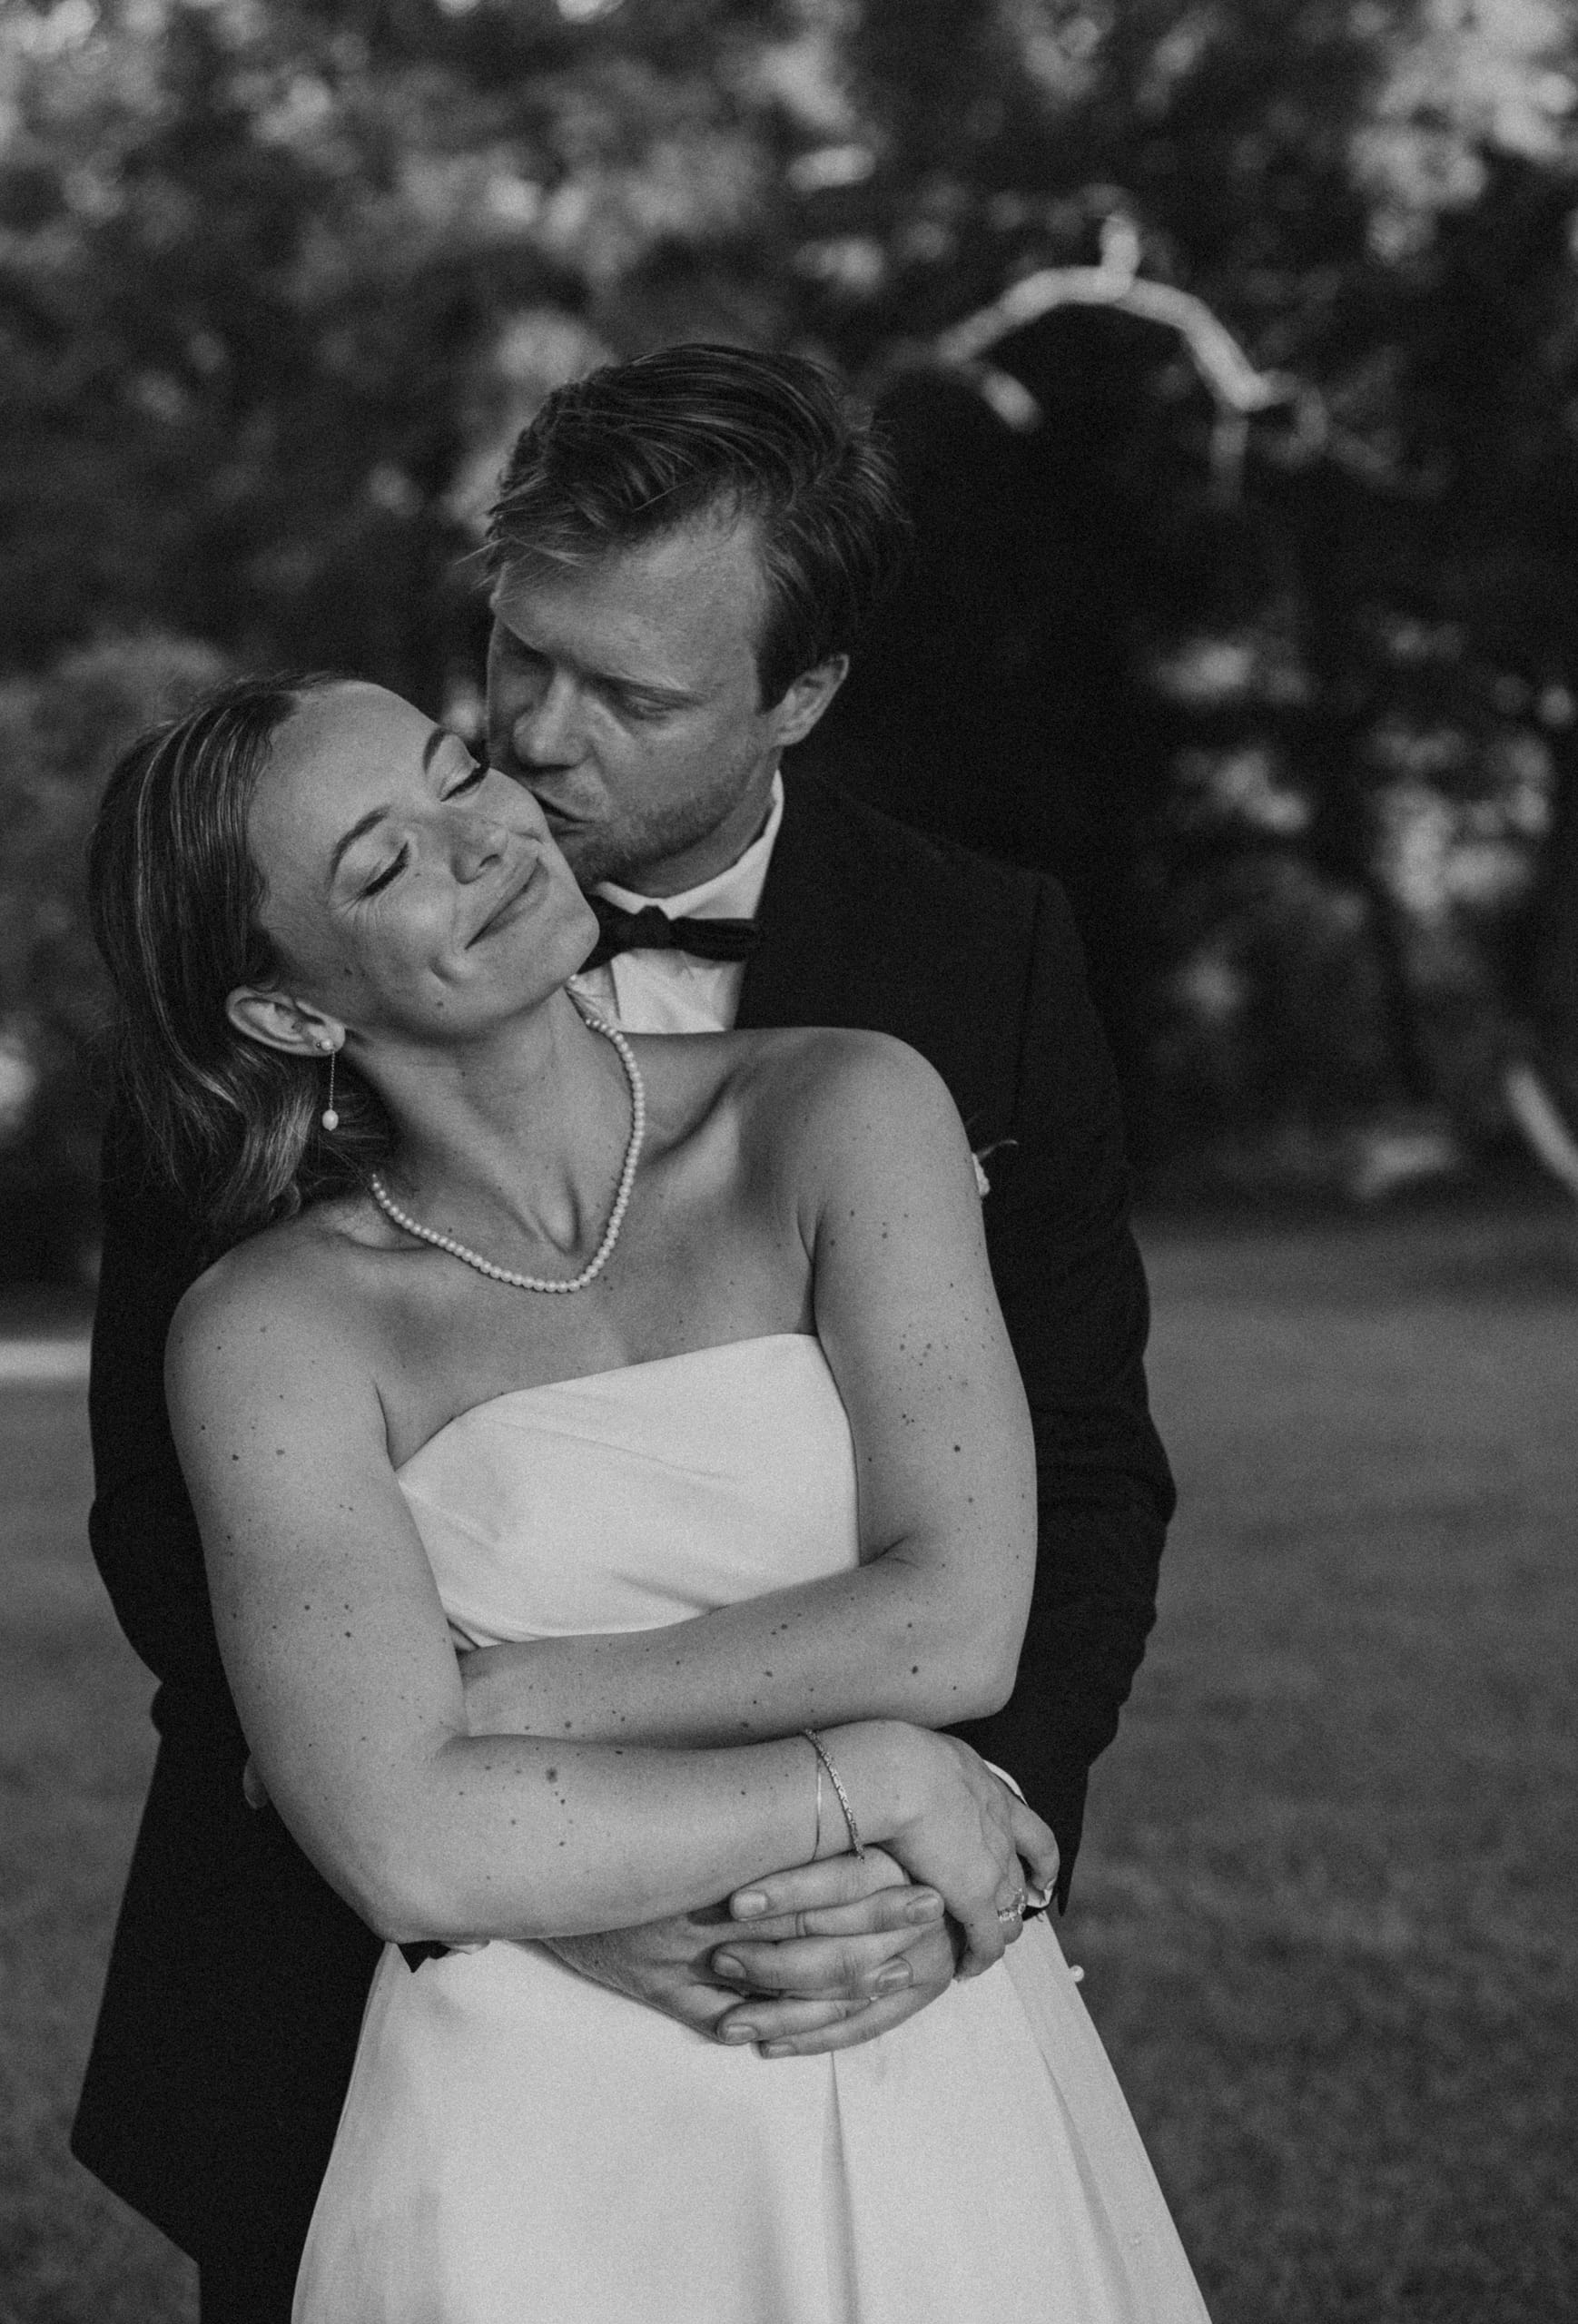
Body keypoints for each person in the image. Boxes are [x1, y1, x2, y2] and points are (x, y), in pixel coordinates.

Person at [73, 347, 1176, 2314]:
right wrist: (539, 1872)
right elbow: (177, 1534)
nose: (532, 751)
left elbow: (1067, 1483)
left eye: (635, 698)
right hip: (405, 2000)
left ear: (796, 699)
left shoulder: (936, 997)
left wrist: (940, 1832)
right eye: (515, 658)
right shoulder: (260, 968)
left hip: (866, 1934)